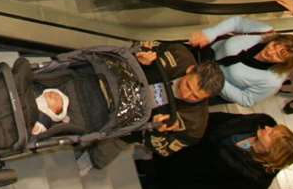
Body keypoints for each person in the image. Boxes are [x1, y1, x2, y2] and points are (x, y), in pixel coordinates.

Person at [86, 41, 223, 172]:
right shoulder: (178, 53)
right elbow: (142, 45)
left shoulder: (195, 125)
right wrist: (141, 56)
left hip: (127, 132)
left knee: (99, 158)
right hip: (116, 85)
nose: (186, 94)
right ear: (191, 69)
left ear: (207, 99)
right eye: (187, 85)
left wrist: (157, 131)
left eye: (195, 97)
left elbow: (163, 150)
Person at [137, 113, 293, 189]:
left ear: (271, 151)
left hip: (178, 176)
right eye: (273, 128)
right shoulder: (261, 121)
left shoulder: (253, 182)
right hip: (181, 147)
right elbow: (221, 119)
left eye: (271, 134)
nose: (267, 128)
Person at [187, 17, 293, 107]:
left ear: (284, 63)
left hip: (210, 86)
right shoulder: (264, 32)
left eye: (279, 55)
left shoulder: (272, 82)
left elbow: (247, 100)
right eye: (275, 45)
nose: (270, 52)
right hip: (204, 53)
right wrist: (211, 33)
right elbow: (237, 22)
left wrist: (214, 80)